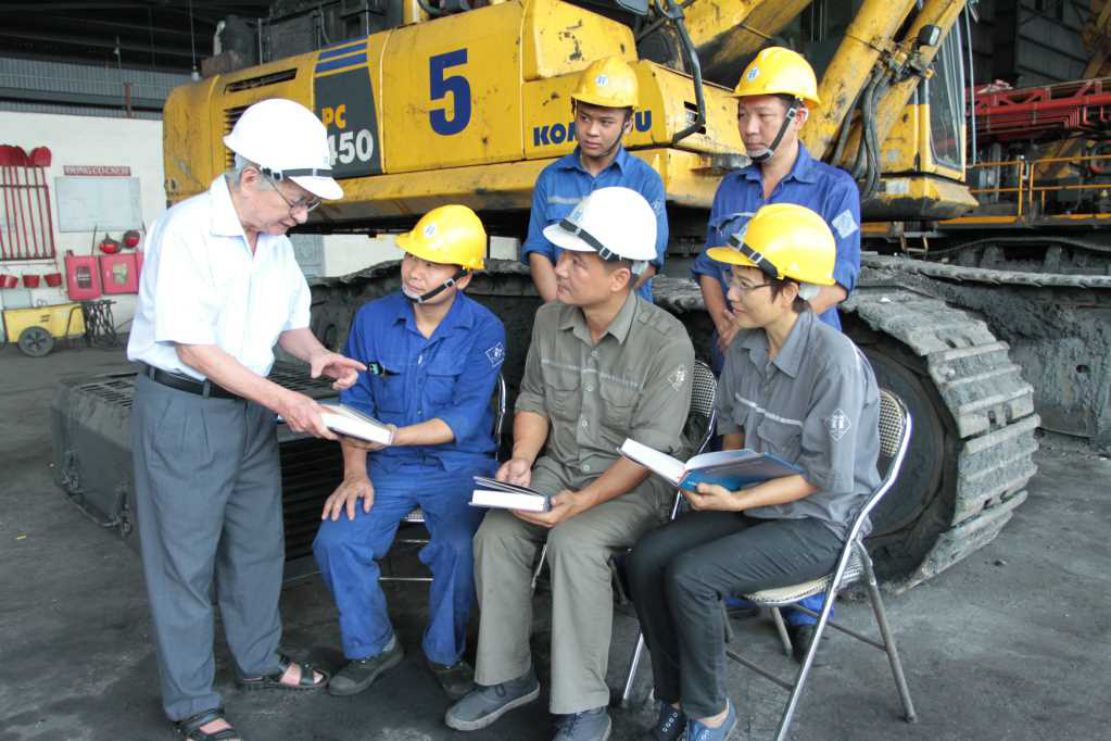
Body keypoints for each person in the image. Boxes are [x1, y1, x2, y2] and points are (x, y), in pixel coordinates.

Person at [127, 98, 366, 741]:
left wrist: (317, 357)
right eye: (296, 200)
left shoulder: (276, 242)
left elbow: (290, 324)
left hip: (249, 412)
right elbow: (193, 347)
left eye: (310, 205)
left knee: (257, 547)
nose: (300, 215)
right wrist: (286, 402)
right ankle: (192, 701)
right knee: (185, 561)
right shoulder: (186, 231)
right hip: (185, 408)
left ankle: (258, 662)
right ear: (252, 175)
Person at [445, 187, 694, 741]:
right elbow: (534, 398)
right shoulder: (550, 319)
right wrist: (522, 459)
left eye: (575, 261)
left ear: (619, 276)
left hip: (633, 484)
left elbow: (647, 452)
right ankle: (507, 677)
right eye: (561, 256)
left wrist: (583, 502)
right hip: (560, 465)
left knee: (575, 543)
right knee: (497, 532)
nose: (558, 268)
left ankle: (584, 706)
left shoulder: (666, 341)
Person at [626, 203, 881, 741]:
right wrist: (719, 478)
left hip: (818, 522)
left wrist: (737, 501)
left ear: (789, 291)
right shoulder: (743, 345)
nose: (730, 295)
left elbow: (825, 478)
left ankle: (712, 715)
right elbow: (737, 432)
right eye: (730, 280)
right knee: (646, 558)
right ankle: (674, 696)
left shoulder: (834, 362)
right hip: (761, 501)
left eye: (744, 283)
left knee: (693, 576)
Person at [691, 46, 862, 650]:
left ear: (799, 117)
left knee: (806, 469)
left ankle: (806, 599)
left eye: (763, 115)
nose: (750, 127)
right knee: (744, 459)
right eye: (743, 116)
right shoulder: (731, 189)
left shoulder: (834, 189)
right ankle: (738, 570)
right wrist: (730, 317)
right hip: (740, 348)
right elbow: (711, 267)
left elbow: (838, 279)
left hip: (802, 357)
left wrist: (771, 320)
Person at [312, 204, 506, 701]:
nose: (414, 271)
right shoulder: (372, 318)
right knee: (337, 541)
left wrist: (391, 436)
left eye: (432, 263)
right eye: (411, 257)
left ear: (461, 278)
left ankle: (445, 652)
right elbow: (354, 404)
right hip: (386, 464)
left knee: (460, 547)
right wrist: (356, 470)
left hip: (459, 465)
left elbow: (463, 419)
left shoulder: (485, 330)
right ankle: (373, 646)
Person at [523, 55, 669, 304]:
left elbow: (649, 262)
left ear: (628, 124)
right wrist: (562, 313)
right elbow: (539, 252)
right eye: (585, 118)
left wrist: (599, 310)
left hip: (624, 319)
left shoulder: (645, 181)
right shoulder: (551, 179)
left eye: (606, 122)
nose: (591, 131)